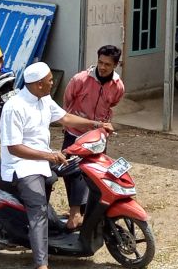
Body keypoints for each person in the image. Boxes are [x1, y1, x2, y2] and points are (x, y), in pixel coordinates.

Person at [0, 62, 113, 269]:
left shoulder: (43, 99)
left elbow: (65, 117)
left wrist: (96, 124)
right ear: (38, 84)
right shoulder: (14, 107)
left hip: (43, 159)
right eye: (50, 80)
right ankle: (41, 264)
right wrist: (48, 156)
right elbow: (14, 148)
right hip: (22, 165)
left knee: (77, 170)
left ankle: (72, 218)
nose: (53, 82)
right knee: (38, 211)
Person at [60, 45, 125, 229]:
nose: (103, 67)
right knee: (71, 173)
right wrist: (70, 123)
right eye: (100, 62)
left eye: (108, 64)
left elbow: (113, 102)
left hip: (97, 138)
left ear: (116, 65)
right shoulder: (80, 79)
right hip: (74, 134)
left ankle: (86, 212)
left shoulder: (118, 86)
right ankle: (75, 212)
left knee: (94, 175)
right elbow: (67, 101)